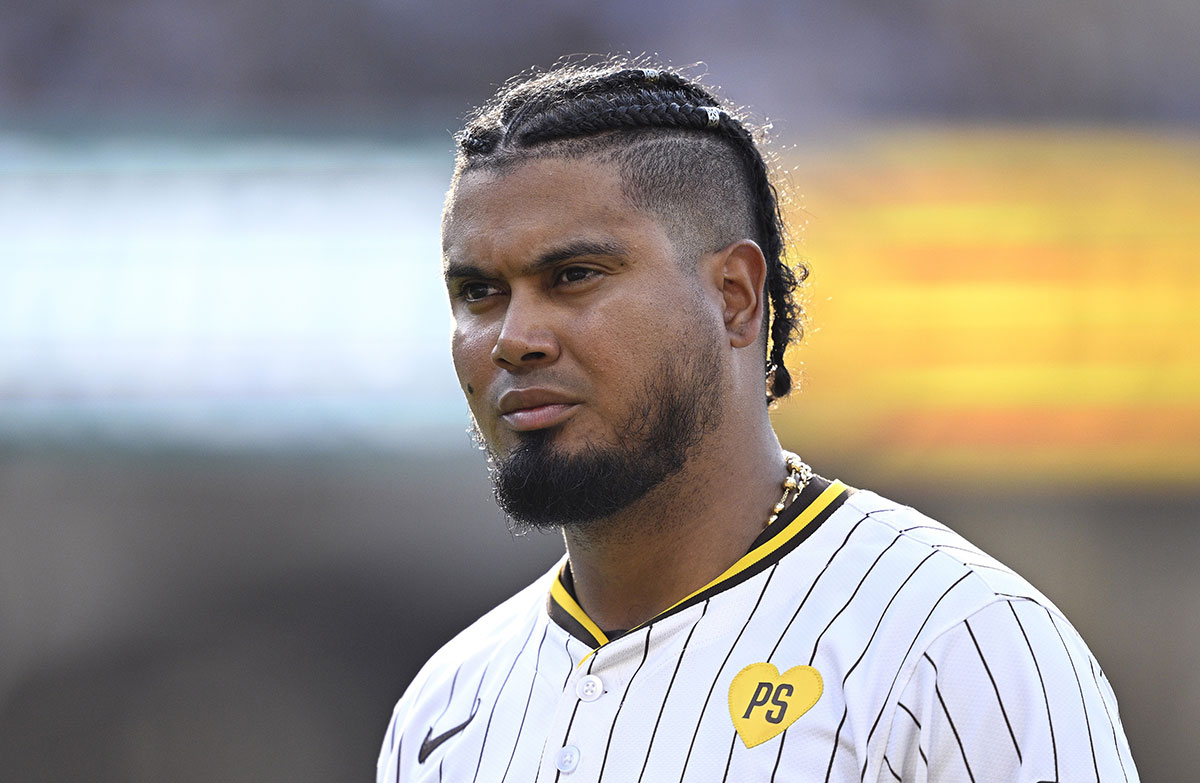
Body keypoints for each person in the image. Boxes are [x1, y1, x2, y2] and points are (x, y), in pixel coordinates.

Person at [377, 58, 1138, 782]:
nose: (513, 338)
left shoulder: (953, 641)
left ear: (735, 296)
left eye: (573, 276)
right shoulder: (446, 707)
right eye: (479, 292)